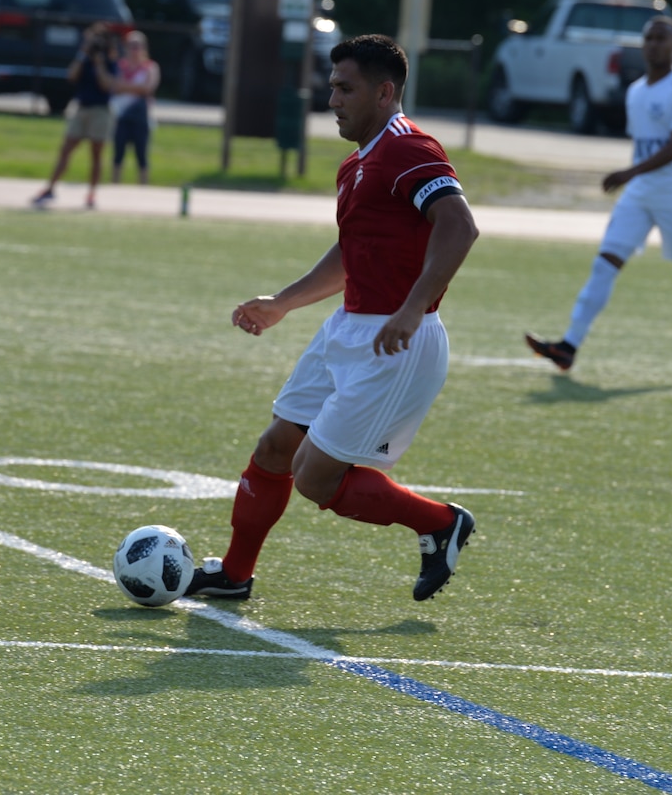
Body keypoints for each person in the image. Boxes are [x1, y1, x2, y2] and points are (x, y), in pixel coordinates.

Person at [184, 34, 481, 604]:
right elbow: (351, 252)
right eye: (332, 87)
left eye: (345, 88)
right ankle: (235, 574)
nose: (333, 100)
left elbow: (459, 226)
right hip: (347, 328)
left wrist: (413, 307)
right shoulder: (356, 166)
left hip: (397, 342)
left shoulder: (409, 148)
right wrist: (283, 303)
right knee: (275, 448)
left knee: (315, 477)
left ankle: (440, 523)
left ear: (384, 91)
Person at [524, 15, 672, 382]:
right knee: (605, 263)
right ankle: (568, 347)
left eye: (662, 38)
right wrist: (633, 178)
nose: (654, 44)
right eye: (649, 38)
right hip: (640, 192)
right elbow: (646, 144)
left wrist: (628, 173)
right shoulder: (636, 91)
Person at [31, 23, 117, 209]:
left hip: (101, 110)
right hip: (82, 108)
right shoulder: (84, 59)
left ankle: (92, 194)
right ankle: (50, 188)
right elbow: (71, 76)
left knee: (96, 154)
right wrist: (82, 54)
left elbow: (106, 85)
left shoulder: (109, 60)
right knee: (66, 149)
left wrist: (99, 63)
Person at [110, 29, 159, 184]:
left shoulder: (150, 67)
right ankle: (114, 185)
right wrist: (135, 88)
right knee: (118, 154)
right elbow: (114, 87)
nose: (134, 49)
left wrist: (125, 86)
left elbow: (148, 88)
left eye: (138, 45)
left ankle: (143, 188)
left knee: (141, 155)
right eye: (131, 45)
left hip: (140, 116)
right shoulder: (120, 66)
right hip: (121, 114)